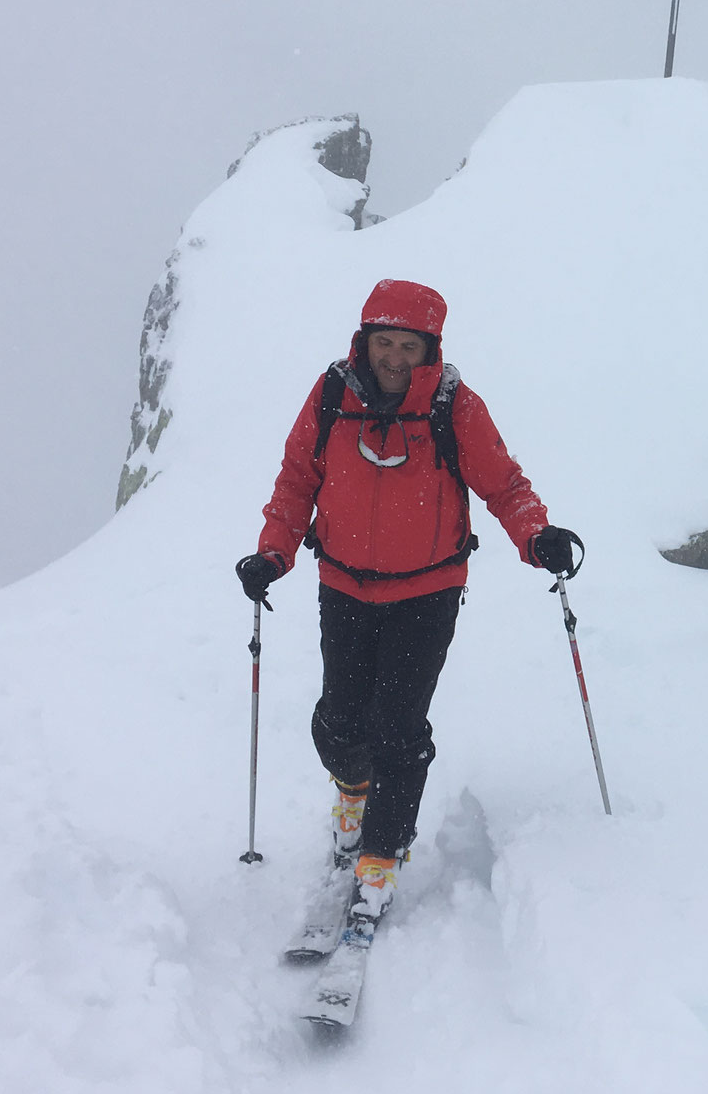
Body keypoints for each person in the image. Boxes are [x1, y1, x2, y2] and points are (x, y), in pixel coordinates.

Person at [234, 278, 582, 922]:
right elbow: (296, 478)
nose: (394, 357)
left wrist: (537, 535)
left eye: (409, 346)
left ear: (432, 350)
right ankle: (351, 787)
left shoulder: (455, 406)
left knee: (396, 725)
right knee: (341, 721)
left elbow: (503, 485)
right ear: (364, 342)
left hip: (428, 590)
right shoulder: (333, 395)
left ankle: (381, 856)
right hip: (342, 585)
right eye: (384, 342)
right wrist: (273, 551)